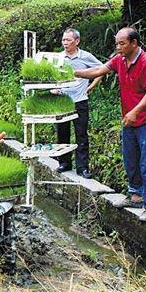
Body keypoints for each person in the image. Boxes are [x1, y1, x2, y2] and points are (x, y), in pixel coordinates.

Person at [74, 27, 146, 222]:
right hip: (129, 120)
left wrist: (135, 112)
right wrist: (73, 73)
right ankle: (136, 196)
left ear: (134, 43)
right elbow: (98, 70)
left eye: (122, 44)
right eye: (116, 43)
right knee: (130, 159)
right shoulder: (120, 60)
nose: (118, 47)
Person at [52, 28, 102, 179]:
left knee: (81, 134)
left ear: (77, 41)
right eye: (63, 40)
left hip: (80, 100)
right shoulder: (59, 58)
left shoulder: (85, 57)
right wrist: (54, 87)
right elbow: (51, 75)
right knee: (62, 132)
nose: (65, 43)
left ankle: (82, 167)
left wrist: (92, 85)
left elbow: (102, 69)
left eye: (68, 40)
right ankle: (64, 163)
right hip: (62, 100)